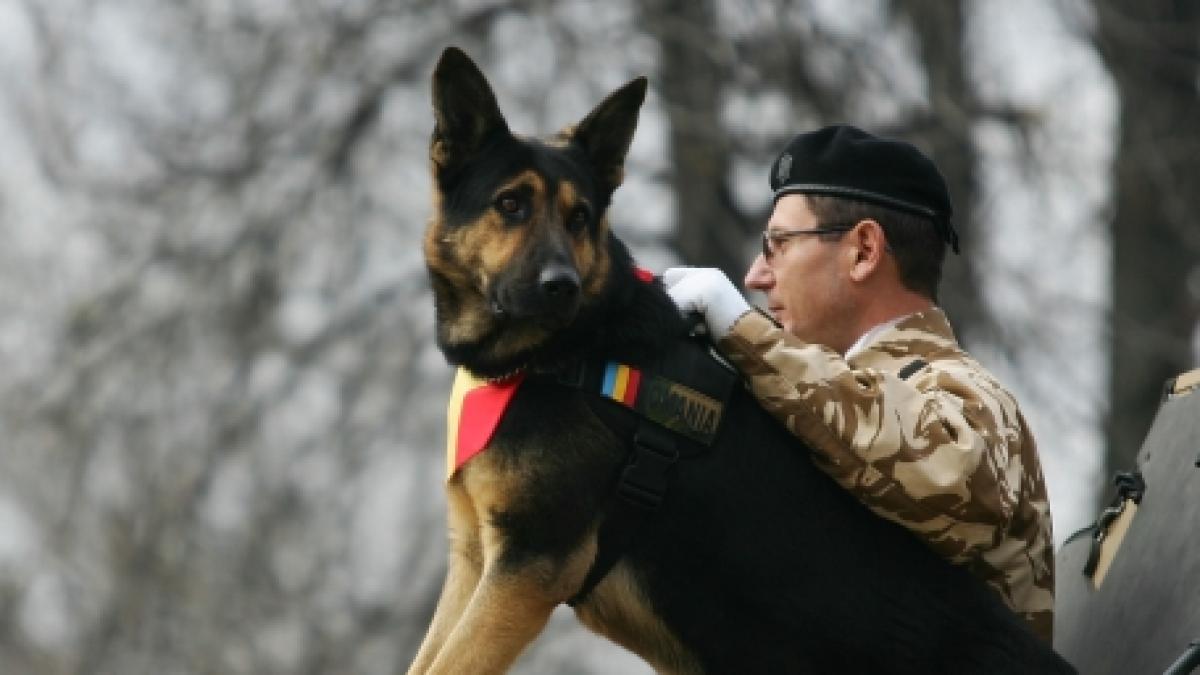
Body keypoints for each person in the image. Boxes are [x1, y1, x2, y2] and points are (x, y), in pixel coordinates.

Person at [664, 125, 1056, 642]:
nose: (756, 276)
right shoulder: (809, 409)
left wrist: (745, 334)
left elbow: (951, 478)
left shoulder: (963, 392)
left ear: (864, 251)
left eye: (778, 244)